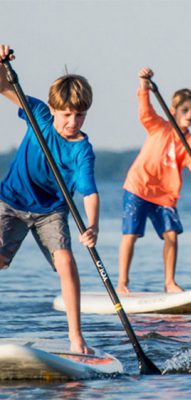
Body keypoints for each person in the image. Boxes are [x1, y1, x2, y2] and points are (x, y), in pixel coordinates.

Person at [0, 45, 98, 354]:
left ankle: (76, 337)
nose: (73, 121)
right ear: (54, 109)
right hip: (11, 201)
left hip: (51, 211)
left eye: (79, 115)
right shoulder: (39, 113)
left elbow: (89, 192)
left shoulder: (82, 149)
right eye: (67, 114)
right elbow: (3, 85)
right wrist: (1, 63)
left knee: (66, 262)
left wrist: (92, 226)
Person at [117, 67, 191, 295]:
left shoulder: (188, 141)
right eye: (185, 110)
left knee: (171, 235)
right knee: (131, 235)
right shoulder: (159, 126)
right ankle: (122, 283)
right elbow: (145, 110)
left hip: (164, 196)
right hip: (139, 187)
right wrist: (144, 84)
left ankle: (170, 282)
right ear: (174, 111)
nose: (190, 115)